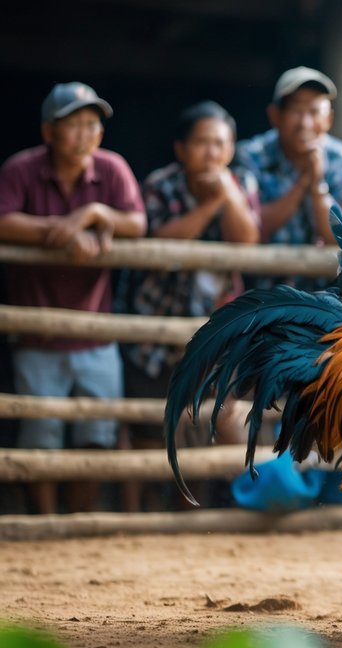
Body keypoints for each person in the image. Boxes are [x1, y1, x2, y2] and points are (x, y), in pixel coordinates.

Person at [0, 82, 146, 515]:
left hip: (96, 332)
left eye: (92, 124)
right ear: (48, 132)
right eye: (73, 125)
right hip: (37, 335)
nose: (85, 134)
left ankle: (81, 522)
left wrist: (95, 213)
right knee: (41, 437)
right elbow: (2, 220)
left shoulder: (112, 168)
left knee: (97, 438)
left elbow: (138, 224)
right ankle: (45, 523)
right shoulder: (21, 169)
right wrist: (58, 231)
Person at [118, 100, 258, 509]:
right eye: (202, 142)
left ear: (231, 148)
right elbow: (163, 242)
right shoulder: (160, 184)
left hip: (215, 328)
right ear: (180, 149)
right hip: (156, 324)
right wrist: (212, 203)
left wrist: (227, 196)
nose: (212, 152)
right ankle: (137, 515)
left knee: (212, 417)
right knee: (148, 426)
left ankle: (196, 514)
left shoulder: (240, 183)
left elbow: (247, 239)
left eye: (220, 143)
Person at [236, 66, 342, 288]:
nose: (305, 123)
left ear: (329, 119)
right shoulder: (252, 155)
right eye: (296, 111)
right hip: (262, 293)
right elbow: (252, 229)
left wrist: (317, 187)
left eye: (314, 112)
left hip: (328, 296)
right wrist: (303, 181)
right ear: (275, 116)